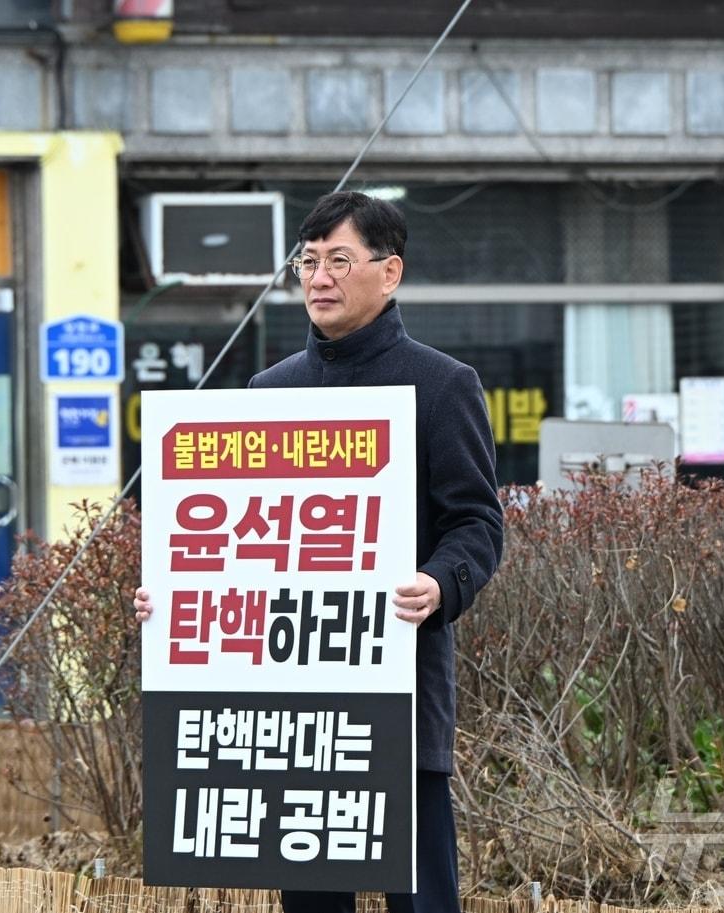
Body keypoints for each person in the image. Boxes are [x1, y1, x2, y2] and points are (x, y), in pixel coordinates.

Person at [134, 190, 504, 913]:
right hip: (292, 714)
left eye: (340, 260)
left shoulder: (442, 384)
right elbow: (237, 545)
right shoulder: (270, 391)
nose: (319, 278)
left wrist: (439, 582)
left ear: (389, 273)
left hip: (396, 689)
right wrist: (174, 597)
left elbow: (477, 522)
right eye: (307, 262)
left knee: (422, 898)